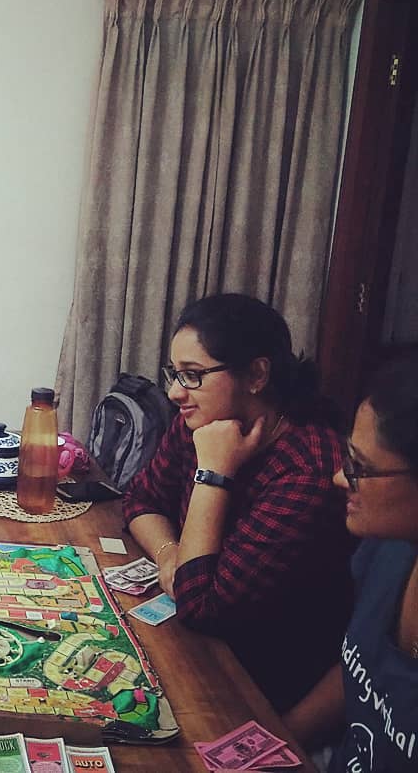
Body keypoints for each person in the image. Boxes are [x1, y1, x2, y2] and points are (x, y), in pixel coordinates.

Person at [122, 293, 353, 712]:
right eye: (174, 374)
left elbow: (200, 604)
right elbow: (141, 499)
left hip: (260, 680)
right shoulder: (203, 420)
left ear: (257, 374)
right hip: (198, 645)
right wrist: (169, 553)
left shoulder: (309, 472)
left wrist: (213, 472)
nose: (175, 392)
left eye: (192, 375)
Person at [284, 355, 418, 773]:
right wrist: (277, 739)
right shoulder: (388, 549)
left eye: (359, 467)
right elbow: (361, 668)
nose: (340, 479)